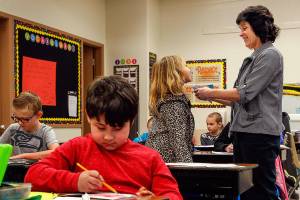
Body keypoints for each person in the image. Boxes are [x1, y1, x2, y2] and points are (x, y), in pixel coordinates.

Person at [25, 76, 182, 200]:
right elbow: (33, 176)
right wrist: (75, 181)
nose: (108, 136)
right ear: (88, 117)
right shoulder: (78, 147)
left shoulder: (150, 158)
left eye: (117, 128)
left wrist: (154, 199)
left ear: (131, 121)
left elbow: (173, 195)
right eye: (100, 127)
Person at [194, 5, 283, 200]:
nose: (241, 34)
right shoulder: (253, 58)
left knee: (261, 191)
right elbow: (238, 101)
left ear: (258, 27)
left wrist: (212, 91)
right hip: (245, 134)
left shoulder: (270, 55)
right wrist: (209, 96)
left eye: (244, 28)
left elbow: (244, 93)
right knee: (247, 191)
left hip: (259, 136)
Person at [145, 55, 195, 163]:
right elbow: (178, 141)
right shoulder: (173, 103)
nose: (189, 68)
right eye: (185, 66)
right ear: (175, 73)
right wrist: (190, 170)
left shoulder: (171, 99)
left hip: (163, 156)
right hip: (166, 158)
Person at [0, 91, 59, 160]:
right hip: (14, 169)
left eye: (25, 119)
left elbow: (56, 152)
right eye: (16, 118)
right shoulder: (12, 128)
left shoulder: (46, 131)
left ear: (38, 115)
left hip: (36, 169)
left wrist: (23, 156)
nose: (20, 123)